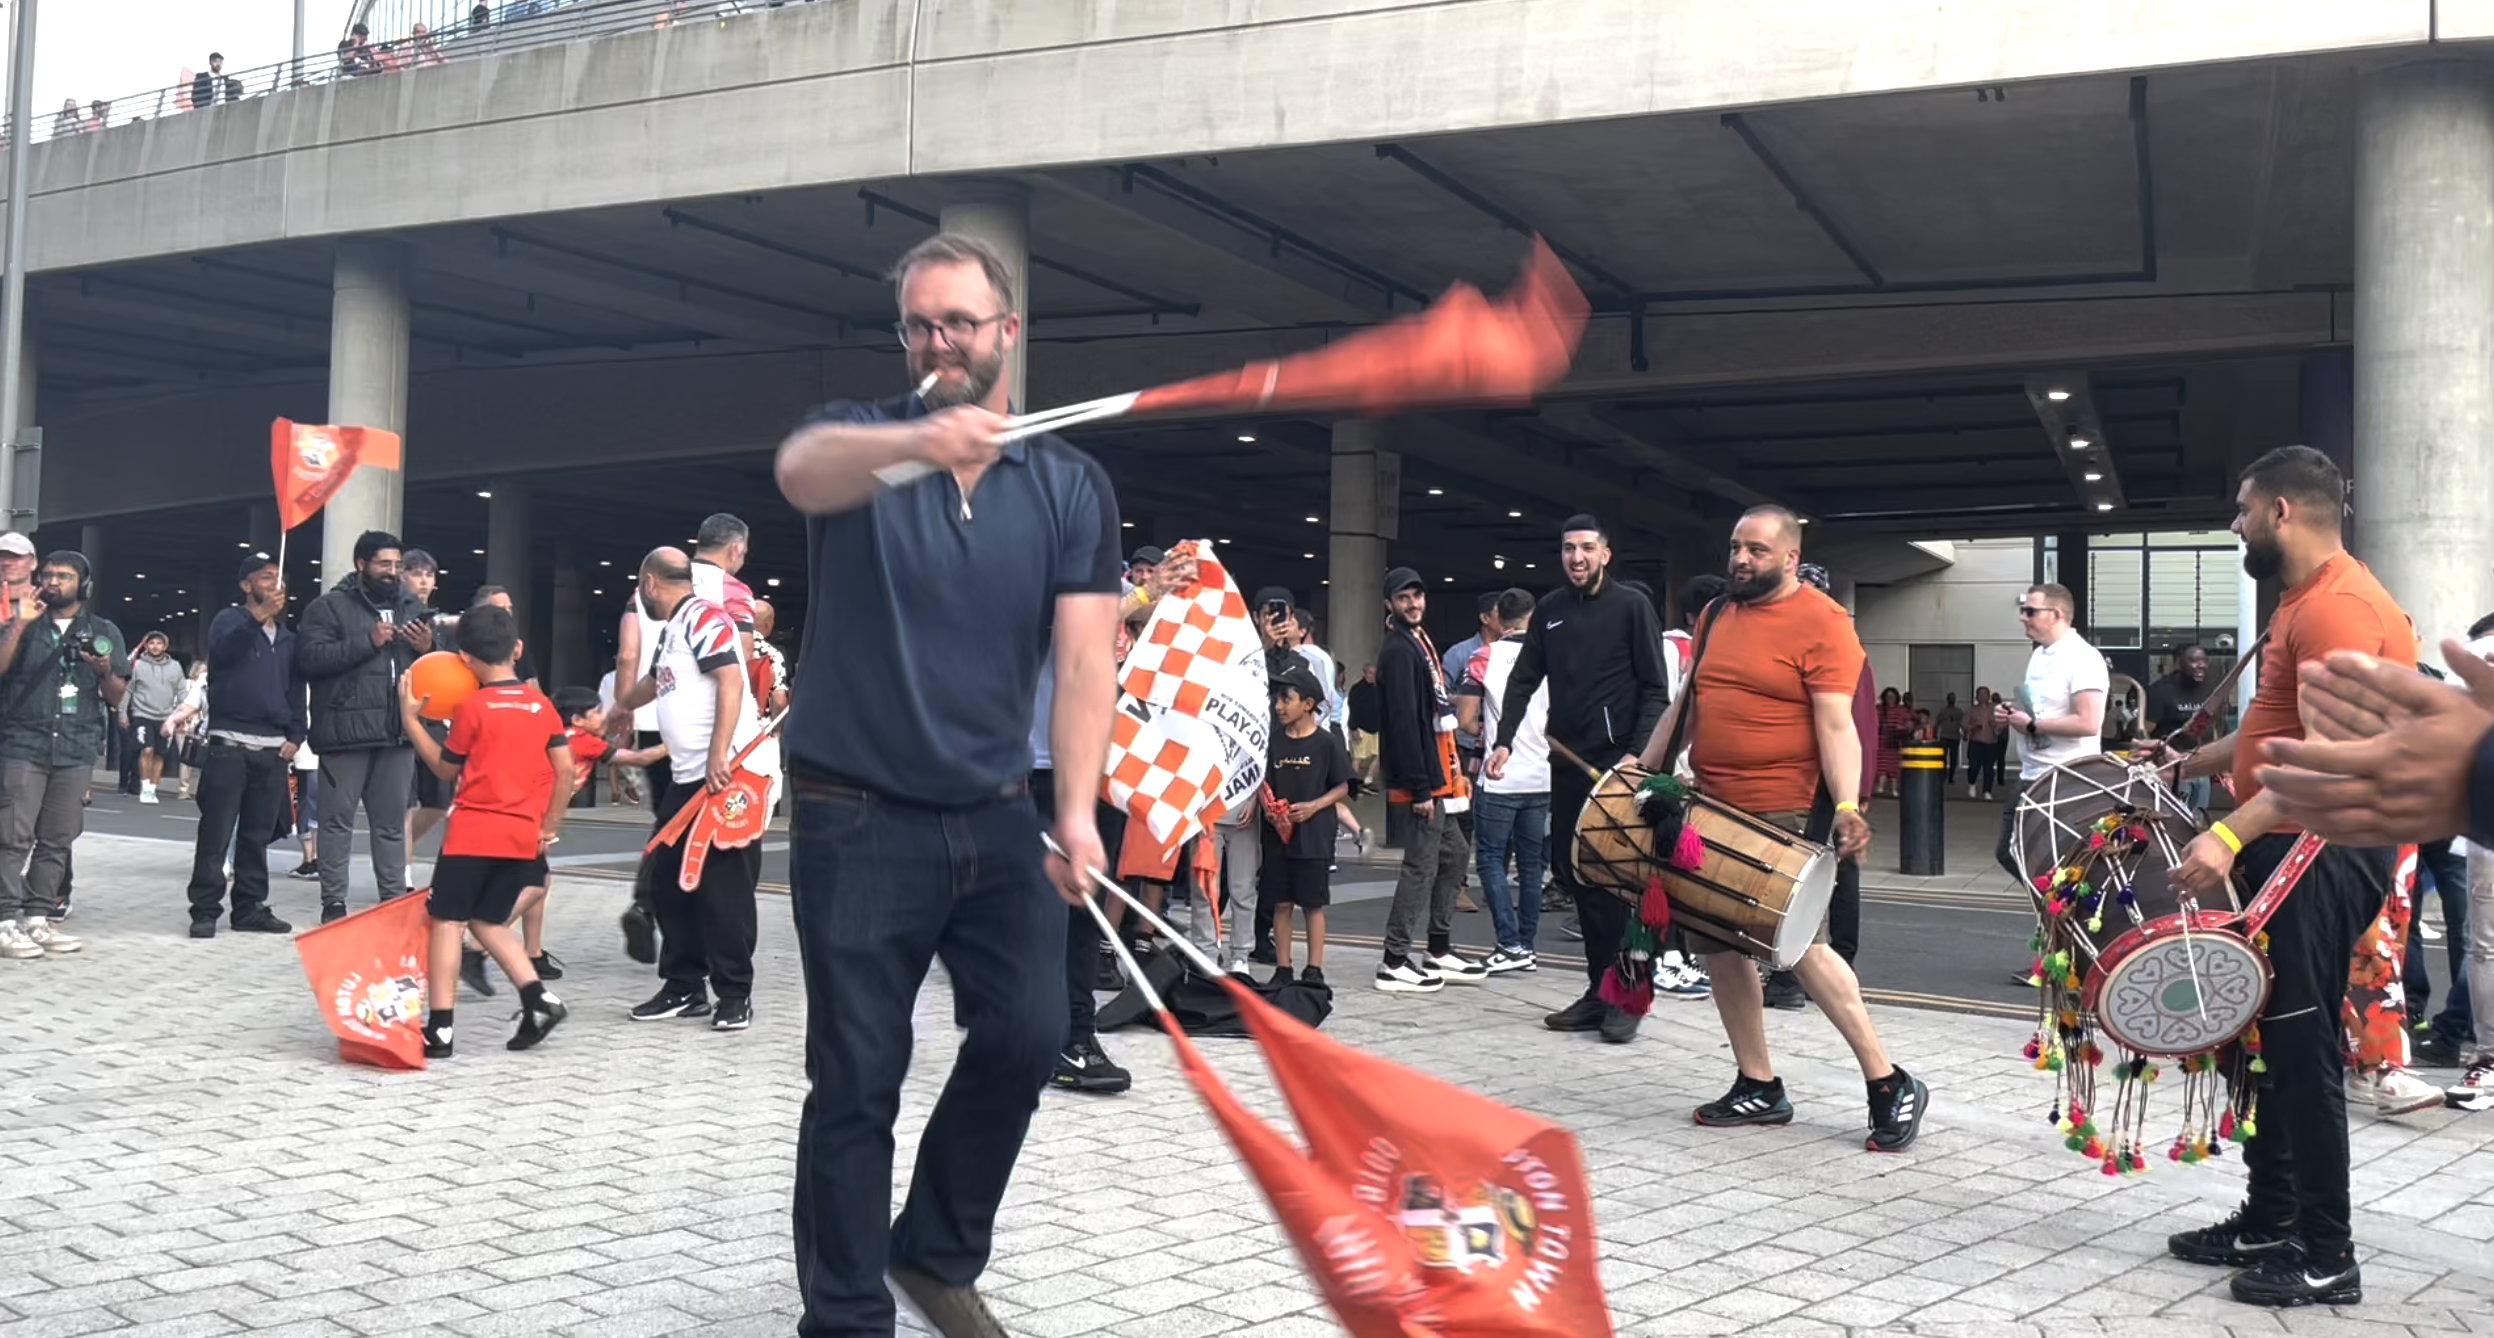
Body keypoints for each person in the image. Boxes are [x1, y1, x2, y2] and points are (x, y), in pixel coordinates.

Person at [772, 230, 1121, 1336]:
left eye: (960, 323)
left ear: (1006, 332)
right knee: (859, 1076)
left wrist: (1074, 810)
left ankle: (932, 1250)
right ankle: (843, 1314)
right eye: (920, 325)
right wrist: (923, 436)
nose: (939, 342)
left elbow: (1083, 662)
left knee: (1028, 1036)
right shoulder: (867, 443)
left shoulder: (1069, 482)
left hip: (998, 815)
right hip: (852, 812)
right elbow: (798, 471)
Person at [2149, 446, 2411, 1308]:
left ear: (2283, 513)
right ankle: (2271, 1216)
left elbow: (2334, 759)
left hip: (2319, 848)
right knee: (2268, 1049)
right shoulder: (2303, 603)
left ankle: (2327, 1253)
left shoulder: (2338, 608)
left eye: (2242, 509)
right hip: (2287, 838)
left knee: (2301, 1054)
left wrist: (2228, 832)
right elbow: (2272, 731)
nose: (2235, 525)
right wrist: (2185, 764)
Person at [1641, 506, 1929, 1151]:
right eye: (1736, 548)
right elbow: (1689, 701)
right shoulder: (1717, 614)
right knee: (1718, 943)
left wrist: (1851, 805)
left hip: (1785, 811)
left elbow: (1836, 725)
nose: (1741, 560)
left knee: (1799, 946)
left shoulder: (1824, 622)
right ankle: (1758, 1084)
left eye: (1757, 551)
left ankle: (1888, 1081)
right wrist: (1647, 768)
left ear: (1791, 558)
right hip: (1709, 807)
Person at [1488, 515, 1671, 1042]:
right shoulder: (1551, 610)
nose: (1577, 557)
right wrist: (1502, 740)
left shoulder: (1632, 606)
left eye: (1587, 548)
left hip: (1619, 771)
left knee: (1622, 887)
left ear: (1606, 555)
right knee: (1581, 881)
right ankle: (1599, 991)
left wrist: (1637, 759)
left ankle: (1630, 997)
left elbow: (1654, 690)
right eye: (1569, 548)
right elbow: (1524, 679)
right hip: (1567, 767)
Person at [400, 603, 571, 1059]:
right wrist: (548, 827)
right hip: (522, 834)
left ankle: (440, 1031)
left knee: (448, 922)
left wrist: (412, 720)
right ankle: (539, 999)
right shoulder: (542, 705)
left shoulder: (473, 708)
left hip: (473, 833)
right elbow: (566, 770)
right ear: (515, 651)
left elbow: (443, 766)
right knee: (488, 921)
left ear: (466, 660)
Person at [610, 549, 763, 1031]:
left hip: (721, 777)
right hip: (685, 778)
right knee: (669, 882)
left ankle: (734, 993)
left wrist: (718, 753)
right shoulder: (676, 627)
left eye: (640, 592)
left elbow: (732, 681)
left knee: (723, 890)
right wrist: (616, 711)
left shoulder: (704, 618)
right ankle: (684, 986)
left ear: (650, 583)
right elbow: (655, 683)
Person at [295, 530, 431, 923]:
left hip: (397, 733)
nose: (392, 572)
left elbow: (437, 668)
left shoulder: (412, 607)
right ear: (361, 565)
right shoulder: (328, 608)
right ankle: (333, 903)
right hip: (345, 732)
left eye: (397, 565)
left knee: (391, 825)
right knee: (337, 822)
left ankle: (392, 901)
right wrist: (368, 641)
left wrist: (428, 648)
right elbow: (310, 660)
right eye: (383, 564)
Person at [0, 552, 126, 961]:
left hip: (75, 748)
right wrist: (20, 623)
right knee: (12, 838)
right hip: (22, 744)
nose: (54, 582)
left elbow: (117, 695)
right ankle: (4, 922)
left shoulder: (103, 630)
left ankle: (37, 918)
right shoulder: (20, 622)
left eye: (65, 576)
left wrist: (104, 670)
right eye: (49, 575)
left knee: (56, 839)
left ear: (83, 586)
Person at [1373, 565, 1483, 994]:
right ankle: (1394, 960)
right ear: (1390, 605)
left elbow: (1431, 714)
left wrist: (1450, 776)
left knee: (1454, 856)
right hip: (1424, 781)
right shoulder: (1399, 650)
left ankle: (1437, 948)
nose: (1413, 604)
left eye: (1417, 596)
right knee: (1421, 866)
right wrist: (1420, 787)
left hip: (1440, 775)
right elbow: (1403, 722)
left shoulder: (1417, 642)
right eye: (1403, 598)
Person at [184, 555, 305, 938]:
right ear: (246, 585)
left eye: (279, 578)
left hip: (272, 749)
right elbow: (225, 653)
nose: (275, 584)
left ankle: (249, 907)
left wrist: (296, 735)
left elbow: (295, 689)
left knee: (257, 835)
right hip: (229, 745)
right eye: (266, 577)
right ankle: (205, 909)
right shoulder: (229, 621)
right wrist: (257, 617)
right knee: (216, 832)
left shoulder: (288, 638)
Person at [1455, 587, 1546, 974]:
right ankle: (1526, 944)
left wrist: (1485, 735)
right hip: (1542, 774)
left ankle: (1509, 944)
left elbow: (1463, 720)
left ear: (1498, 617)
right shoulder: (1552, 656)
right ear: (1533, 615)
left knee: (1491, 859)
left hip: (1500, 773)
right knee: (1531, 865)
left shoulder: (1482, 658)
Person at [1992, 585, 2108, 882]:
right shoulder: (2041, 656)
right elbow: (2039, 708)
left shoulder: (2083, 658)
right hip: (2034, 774)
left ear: (2056, 615)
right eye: (2023, 610)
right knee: (2011, 853)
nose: (2023, 617)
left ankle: (2064, 916)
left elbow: (2088, 722)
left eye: (2030, 611)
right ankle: (2057, 916)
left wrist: (2030, 725)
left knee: (2056, 864)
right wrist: (2012, 712)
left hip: (2066, 779)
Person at [1264, 662, 1350, 986]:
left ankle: (1314, 969)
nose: (1279, 706)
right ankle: (1283, 967)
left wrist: (1314, 806)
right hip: (1278, 837)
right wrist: (1270, 811)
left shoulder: (1326, 743)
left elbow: (1343, 786)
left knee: (1313, 904)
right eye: (1278, 699)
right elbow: (1264, 784)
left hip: (1314, 836)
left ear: (1308, 704)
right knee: (1281, 902)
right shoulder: (1275, 740)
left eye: (1286, 698)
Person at [402, 550, 456, 886]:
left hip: (435, 720)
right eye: (416, 573)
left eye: (429, 574)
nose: (423, 580)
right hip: (400, 720)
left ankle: (399, 851)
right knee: (403, 804)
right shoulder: (393, 614)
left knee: (438, 803)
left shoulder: (442, 624)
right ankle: (402, 874)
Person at [2146, 643, 2218, 810]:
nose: (2201, 665)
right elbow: (2146, 731)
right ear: (2178, 663)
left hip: (2201, 764)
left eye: (2204, 661)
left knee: (2199, 816)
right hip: (2172, 767)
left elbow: (2212, 726)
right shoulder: (2160, 691)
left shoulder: (2209, 689)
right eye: (2194, 660)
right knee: (2177, 815)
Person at [124, 631, 187, 803]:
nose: (155, 646)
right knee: (147, 749)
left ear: (165, 646)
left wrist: (183, 716)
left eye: (159, 643)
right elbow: (129, 690)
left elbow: (182, 691)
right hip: (142, 714)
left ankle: (152, 789)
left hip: (166, 717)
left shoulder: (175, 667)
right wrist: (122, 713)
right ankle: (144, 787)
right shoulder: (138, 665)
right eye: (152, 643)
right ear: (146, 645)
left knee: (160, 754)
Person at [1965, 686, 2003, 799]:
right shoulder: (1971, 710)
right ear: (1976, 697)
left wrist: (1997, 728)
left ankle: (1987, 791)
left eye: (1985, 694)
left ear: (1989, 696)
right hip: (1976, 743)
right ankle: (1971, 784)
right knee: (1974, 766)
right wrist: (1972, 728)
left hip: (1991, 743)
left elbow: (2003, 722)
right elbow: (1964, 724)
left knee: (1989, 768)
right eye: (1980, 694)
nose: (1983, 697)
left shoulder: (1996, 709)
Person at [1873, 687, 1908, 797]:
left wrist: (1902, 727)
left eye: (1892, 696)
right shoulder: (1879, 709)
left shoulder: (1901, 711)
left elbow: (1909, 722)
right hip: (1881, 741)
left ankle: (1894, 789)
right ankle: (1880, 787)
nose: (1890, 699)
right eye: (1888, 696)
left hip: (1895, 742)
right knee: (1882, 765)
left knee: (1894, 765)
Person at [1934, 691, 1965, 784]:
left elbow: (1963, 724)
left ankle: (1951, 776)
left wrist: (1966, 733)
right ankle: (1943, 775)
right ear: (1947, 700)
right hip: (1944, 736)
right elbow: (1937, 723)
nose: (1952, 700)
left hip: (1955, 737)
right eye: (1950, 698)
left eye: (1953, 698)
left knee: (1953, 758)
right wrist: (1935, 734)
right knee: (1942, 757)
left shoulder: (1959, 712)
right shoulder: (1943, 711)